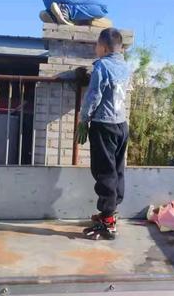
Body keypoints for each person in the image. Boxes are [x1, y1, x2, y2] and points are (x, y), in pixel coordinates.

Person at [76, 28, 131, 240]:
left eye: (96, 45)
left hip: (104, 125)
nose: (94, 48)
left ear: (104, 47)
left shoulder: (102, 66)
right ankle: (110, 212)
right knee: (117, 169)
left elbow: (93, 96)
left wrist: (83, 120)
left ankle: (108, 224)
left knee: (103, 171)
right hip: (121, 124)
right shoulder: (125, 67)